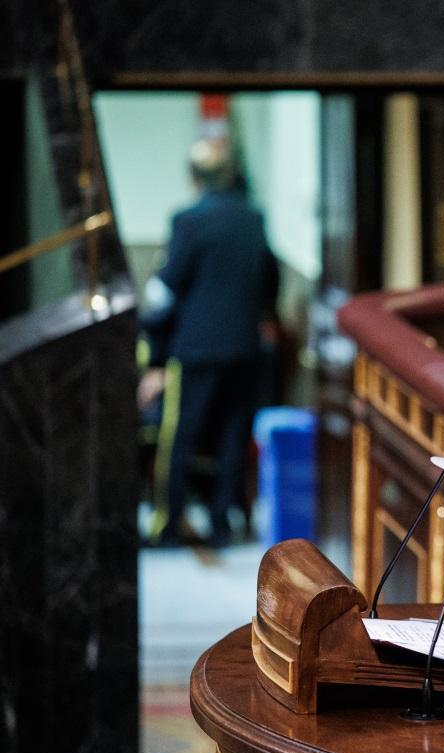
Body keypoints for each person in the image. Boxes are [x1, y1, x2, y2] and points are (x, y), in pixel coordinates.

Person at [141, 138, 279, 548]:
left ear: (194, 176)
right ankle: (222, 523)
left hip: (196, 348)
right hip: (243, 346)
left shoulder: (188, 220)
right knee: (232, 434)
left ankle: (170, 523)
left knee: (181, 434)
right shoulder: (252, 217)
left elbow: (168, 287)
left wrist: (155, 348)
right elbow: (270, 276)